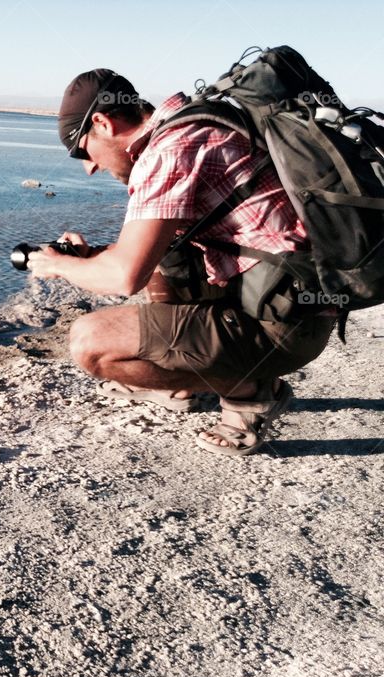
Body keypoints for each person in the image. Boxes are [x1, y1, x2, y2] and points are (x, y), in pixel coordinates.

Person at [27, 69, 338, 456]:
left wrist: (58, 266)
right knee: (166, 257)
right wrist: (91, 257)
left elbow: (125, 277)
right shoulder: (193, 125)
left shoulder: (169, 151)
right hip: (291, 303)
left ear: (103, 123)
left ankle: (250, 391)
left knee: (90, 342)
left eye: (81, 150)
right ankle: (182, 382)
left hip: (285, 328)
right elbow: (145, 254)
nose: (88, 167)